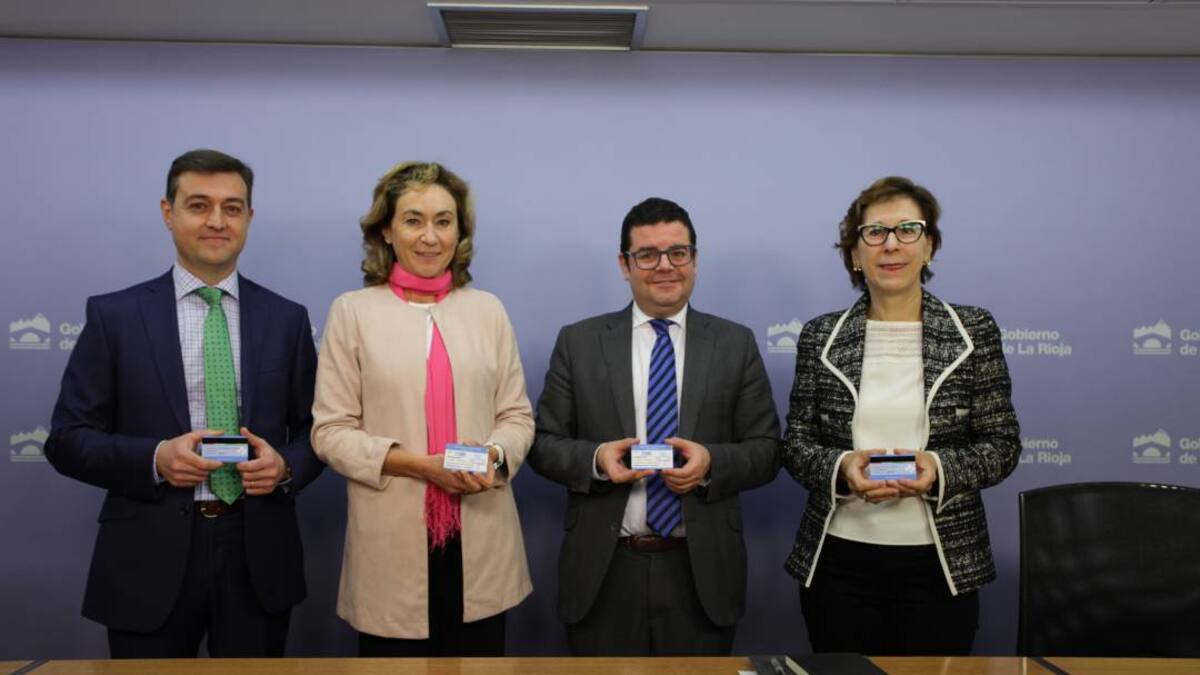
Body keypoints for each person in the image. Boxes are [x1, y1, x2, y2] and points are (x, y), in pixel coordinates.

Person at [44, 149, 323, 657]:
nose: (217, 220)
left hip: (257, 553)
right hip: (146, 555)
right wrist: (155, 459)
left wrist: (285, 467)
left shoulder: (286, 319)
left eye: (232, 208)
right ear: (167, 212)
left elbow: (316, 433)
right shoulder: (115, 317)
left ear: (249, 217)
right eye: (198, 205)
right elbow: (67, 440)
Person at [529, 197, 780, 656]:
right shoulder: (579, 342)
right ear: (624, 265)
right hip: (605, 572)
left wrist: (710, 464)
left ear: (695, 260)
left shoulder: (735, 343)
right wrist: (597, 460)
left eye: (677, 253)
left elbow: (766, 449)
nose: (665, 266)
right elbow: (543, 443)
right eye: (647, 255)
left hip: (701, 573)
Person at [782, 176, 1020, 655]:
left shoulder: (973, 330)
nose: (891, 244)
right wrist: (843, 468)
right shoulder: (820, 336)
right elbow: (797, 445)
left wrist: (937, 468)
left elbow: (1002, 445)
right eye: (874, 232)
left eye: (908, 230)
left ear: (929, 246)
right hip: (838, 563)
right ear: (854, 254)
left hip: (941, 563)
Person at [311, 161, 534, 657]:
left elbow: (516, 417)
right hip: (391, 539)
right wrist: (419, 465)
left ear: (460, 232)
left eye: (443, 221)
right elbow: (330, 431)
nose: (430, 236)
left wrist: (495, 456)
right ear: (386, 231)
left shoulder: (488, 311)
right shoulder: (352, 312)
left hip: (481, 530)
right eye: (413, 220)